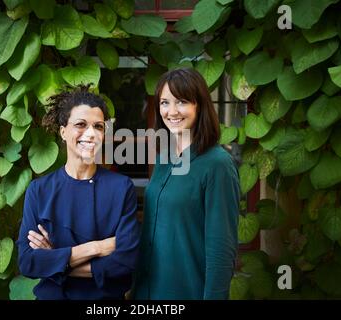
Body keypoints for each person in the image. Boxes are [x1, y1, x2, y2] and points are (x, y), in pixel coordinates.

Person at [17, 86, 140, 300]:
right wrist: (97, 247)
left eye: (98, 127)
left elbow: (125, 262)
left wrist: (56, 262)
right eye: (81, 125)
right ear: (63, 132)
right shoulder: (39, 191)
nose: (91, 134)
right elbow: (28, 262)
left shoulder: (121, 188)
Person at [132, 68, 240, 300]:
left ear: (199, 105)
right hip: (147, 292)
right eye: (164, 102)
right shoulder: (164, 160)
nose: (171, 111)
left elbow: (221, 250)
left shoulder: (218, 165)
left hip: (187, 291)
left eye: (181, 102)